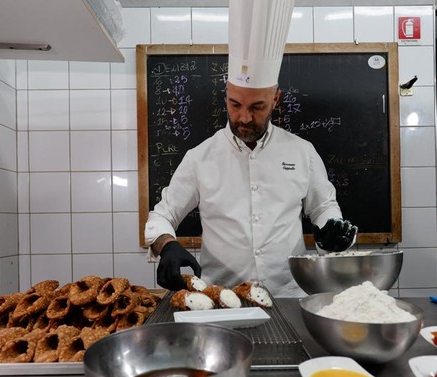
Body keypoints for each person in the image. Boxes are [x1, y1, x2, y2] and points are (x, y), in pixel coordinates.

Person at [144, 0, 358, 297]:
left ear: (275, 99)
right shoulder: (199, 158)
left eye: (257, 106)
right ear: (226, 96)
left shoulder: (301, 152)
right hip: (221, 299)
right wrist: (167, 245)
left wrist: (331, 227)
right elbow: (161, 216)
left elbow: (323, 206)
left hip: (289, 297)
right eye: (235, 105)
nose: (244, 117)